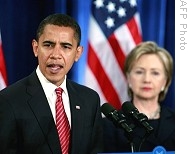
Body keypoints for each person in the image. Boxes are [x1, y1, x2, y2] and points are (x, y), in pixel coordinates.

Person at [0, 13, 104, 154]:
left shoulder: (89, 99)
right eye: (48, 45)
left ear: (78, 53)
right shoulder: (9, 100)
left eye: (65, 46)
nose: (56, 54)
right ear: (36, 48)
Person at [103, 41, 175, 152]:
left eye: (155, 73)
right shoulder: (109, 125)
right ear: (128, 77)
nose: (147, 79)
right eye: (139, 72)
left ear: (166, 81)